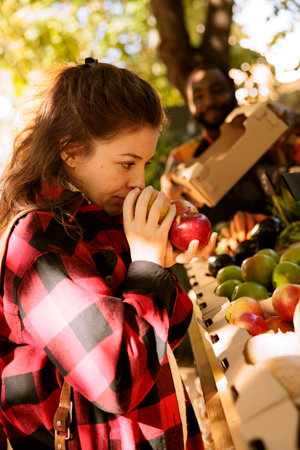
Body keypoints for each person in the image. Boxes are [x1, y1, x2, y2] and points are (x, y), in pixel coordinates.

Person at [0, 58, 214, 449]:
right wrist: (147, 266)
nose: (138, 182)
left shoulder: (100, 220)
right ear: (71, 151)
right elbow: (118, 380)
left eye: (145, 164)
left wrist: (163, 261)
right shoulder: (38, 242)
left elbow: (170, 337)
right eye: (126, 163)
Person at [161, 62, 300, 241]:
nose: (209, 101)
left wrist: (295, 121)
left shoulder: (274, 136)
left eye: (217, 90)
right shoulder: (181, 157)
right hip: (220, 256)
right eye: (199, 97)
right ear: (190, 105)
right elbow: (177, 233)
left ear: (232, 91)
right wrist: (169, 203)